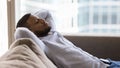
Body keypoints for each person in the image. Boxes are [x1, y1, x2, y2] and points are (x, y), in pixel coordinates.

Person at [14, 10, 120, 68]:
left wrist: (33, 19)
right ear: (31, 32)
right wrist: (25, 25)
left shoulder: (51, 32)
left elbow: (46, 12)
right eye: (37, 22)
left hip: (106, 62)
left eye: (39, 19)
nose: (42, 20)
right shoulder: (43, 45)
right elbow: (20, 32)